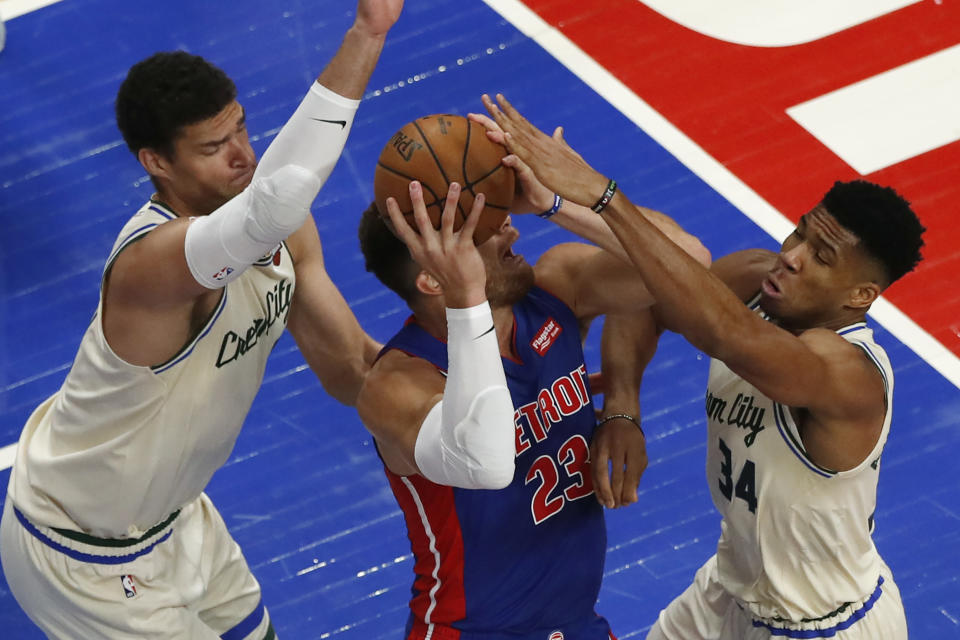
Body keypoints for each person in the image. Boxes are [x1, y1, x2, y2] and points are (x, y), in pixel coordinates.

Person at [0, 2, 402, 638]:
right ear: (156, 163)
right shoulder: (150, 268)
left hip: (177, 517)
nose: (242, 156)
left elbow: (352, 368)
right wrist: (366, 37)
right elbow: (270, 207)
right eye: (214, 147)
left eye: (241, 129)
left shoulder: (284, 229)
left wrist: (469, 399)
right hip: (82, 553)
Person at [483, 92, 925, 639]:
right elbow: (649, 296)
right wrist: (622, 407)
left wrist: (599, 198)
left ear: (860, 295)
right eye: (802, 232)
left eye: (821, 256)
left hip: (825, 627)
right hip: (727, 596)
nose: (793, 254)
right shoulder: (760, 280)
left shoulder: (846, 375)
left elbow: (726, 333)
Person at [354, 150, 709, 638]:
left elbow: (688, 261)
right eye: (486, 230)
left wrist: (556, 201)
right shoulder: (399, 384)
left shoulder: (555, 292)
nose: (510, 231)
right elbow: (486, 459)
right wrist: (469, 300)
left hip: (576, 623)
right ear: (433, 278)